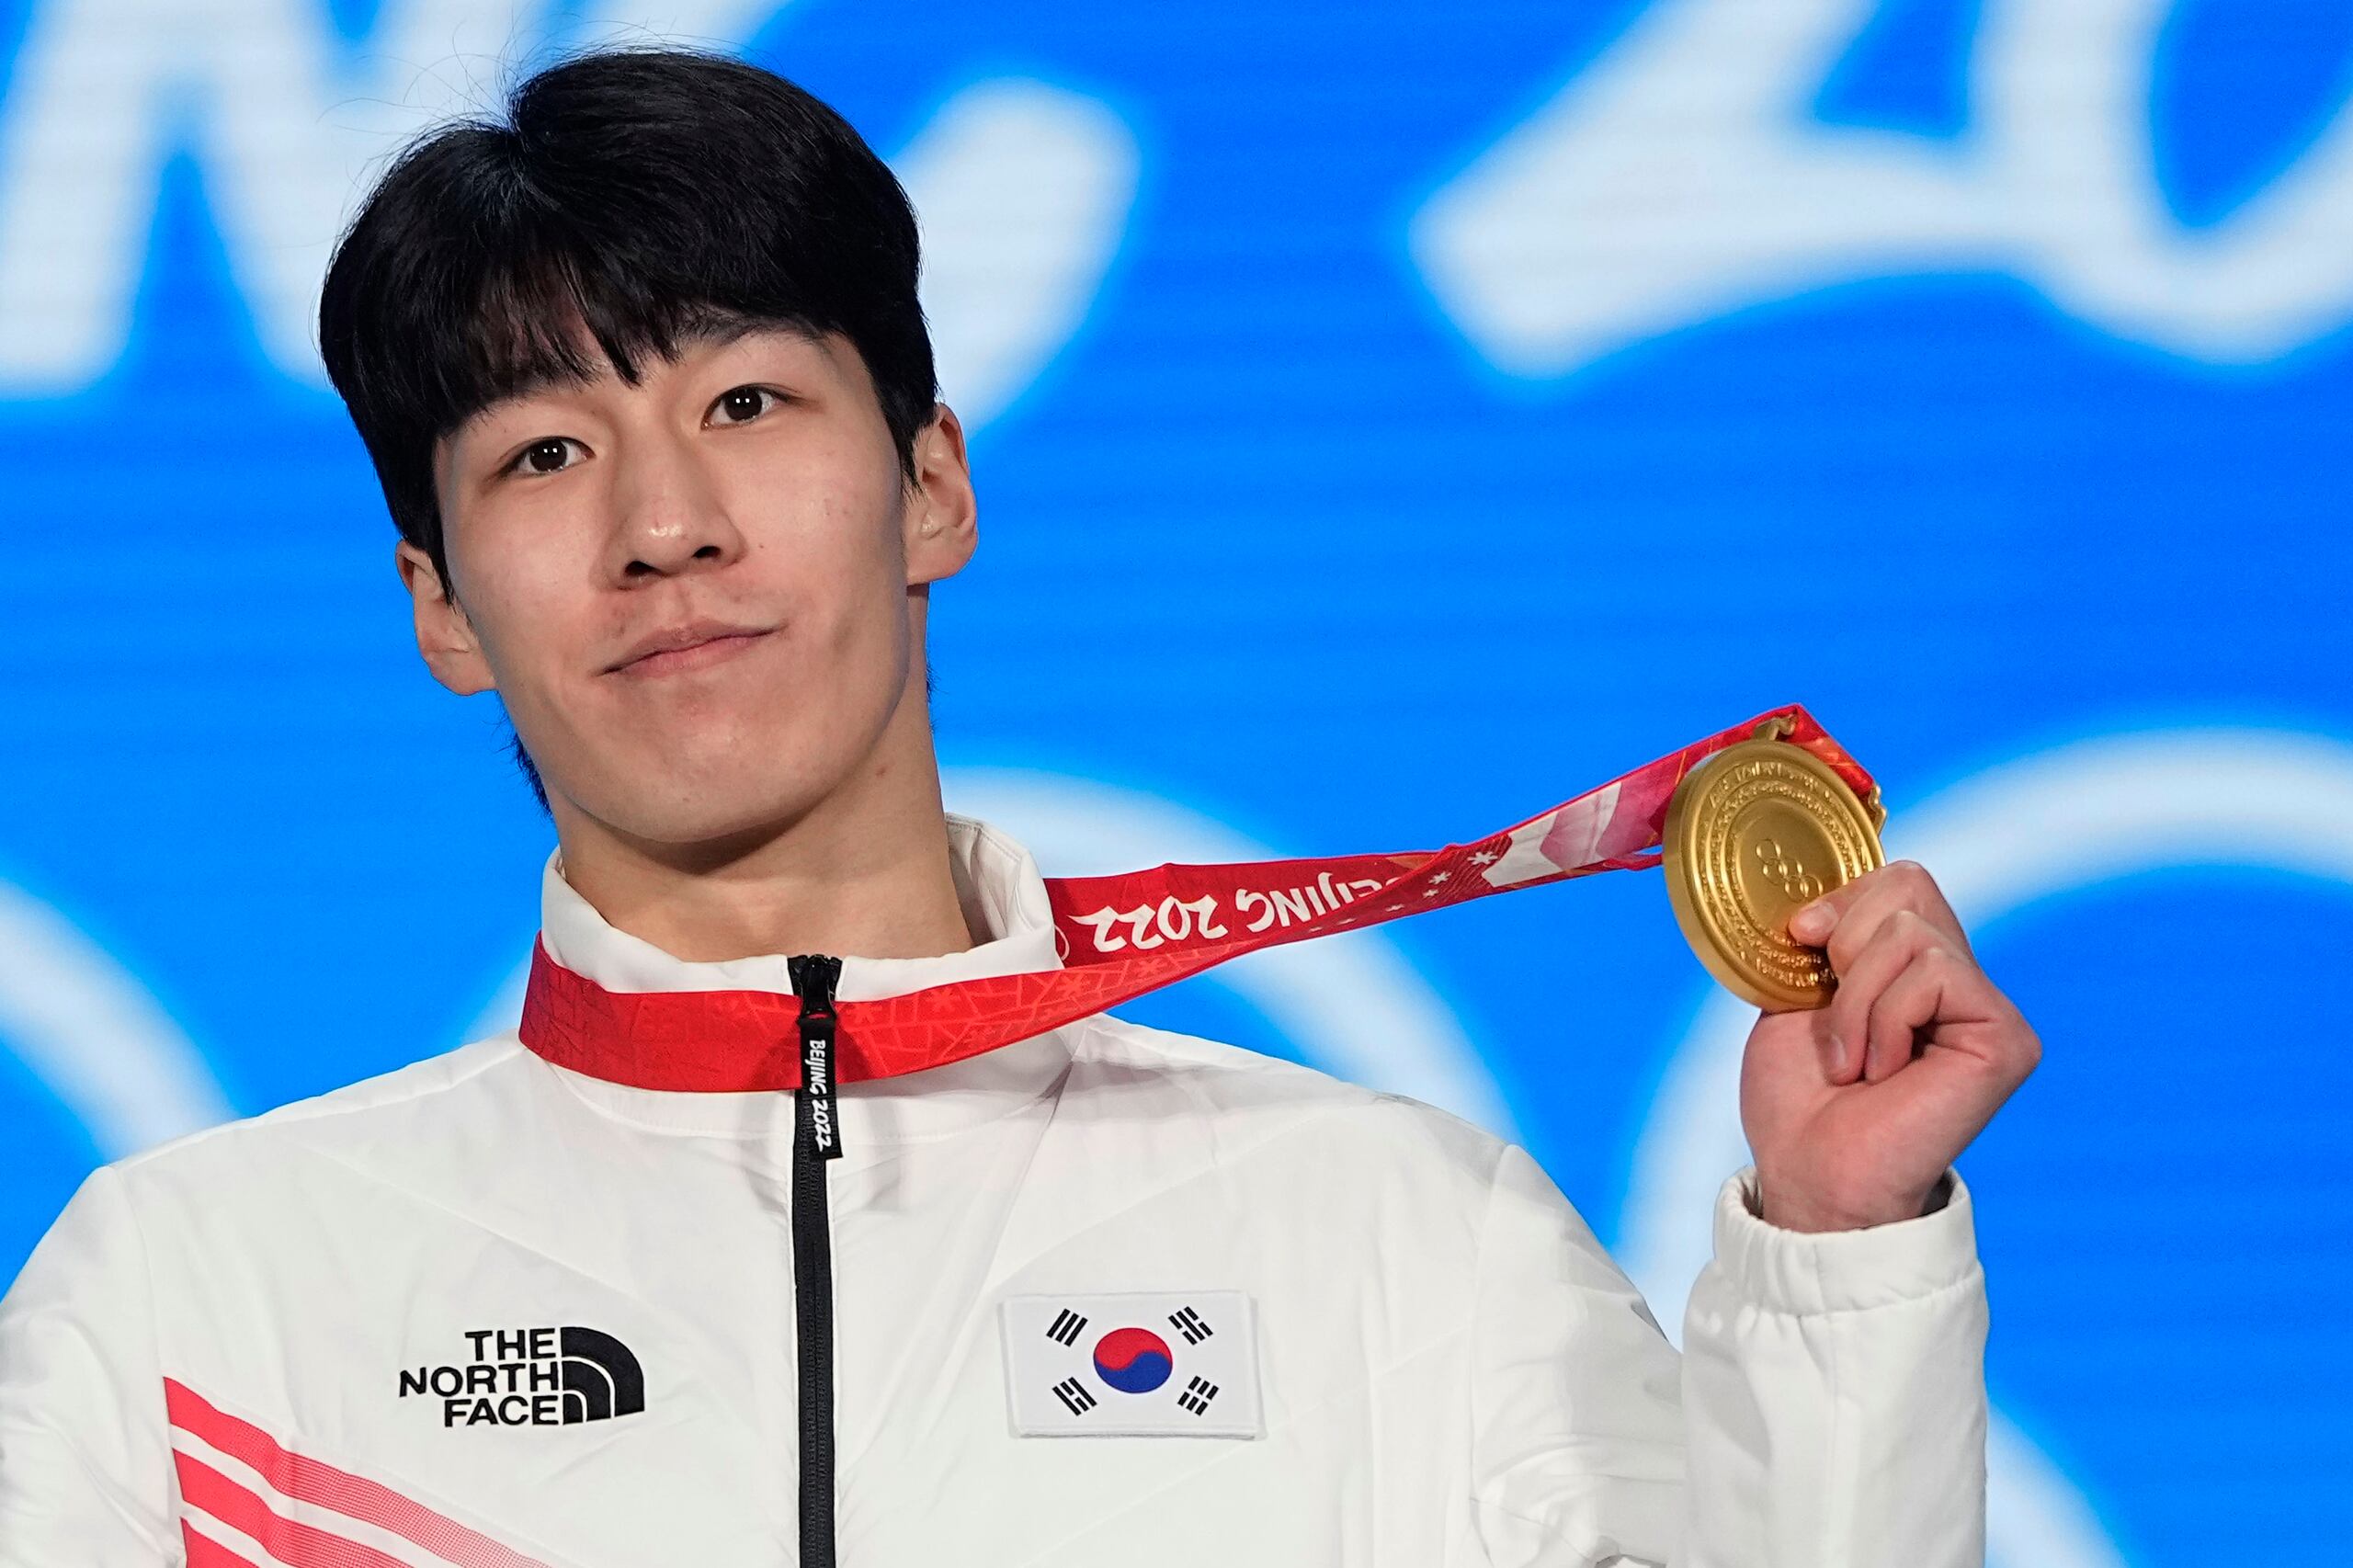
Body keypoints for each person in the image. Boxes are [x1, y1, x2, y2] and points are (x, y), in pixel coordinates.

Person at [0, 45, 2039, 1568]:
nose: (664, 526)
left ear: (935, 488)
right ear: (441, 604)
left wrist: (1835, 1260)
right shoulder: (202, 1305)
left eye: (742, 403)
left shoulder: (1397, 1244)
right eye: (543, 453)